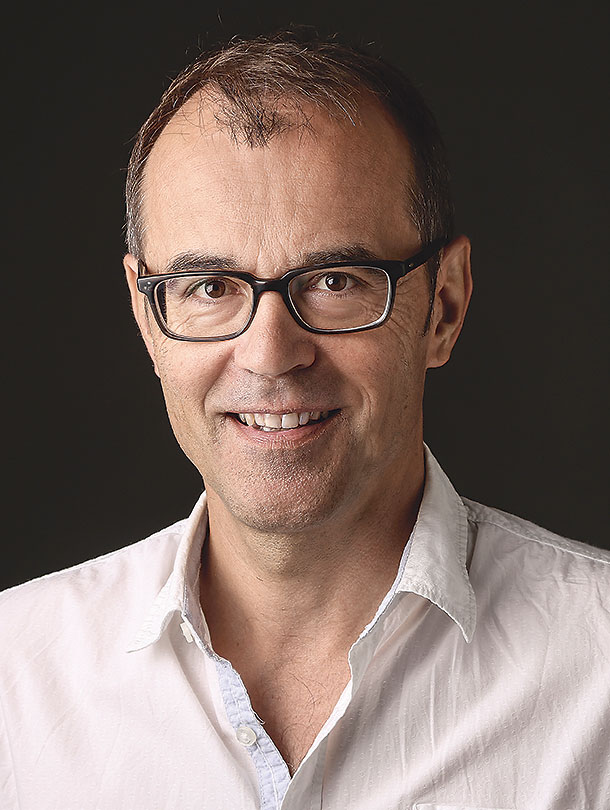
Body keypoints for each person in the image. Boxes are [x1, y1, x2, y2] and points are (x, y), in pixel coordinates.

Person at [1, 28, 608, 810]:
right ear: (148, 319)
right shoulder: (17, 681)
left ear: (445, 306)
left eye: (335, 280)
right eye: (210, 288)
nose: (270, 356)